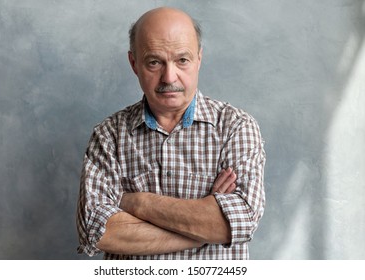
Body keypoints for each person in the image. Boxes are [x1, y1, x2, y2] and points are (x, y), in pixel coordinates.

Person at [76, 7, 266, 260]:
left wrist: (137, 203)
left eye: (182, 60)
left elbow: (240, 221)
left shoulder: (236, 128)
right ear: (134, 64)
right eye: (154, 62)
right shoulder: (108, 136)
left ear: (199, 59)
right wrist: (205, 226)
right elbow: (98, 232)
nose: (169, 76)